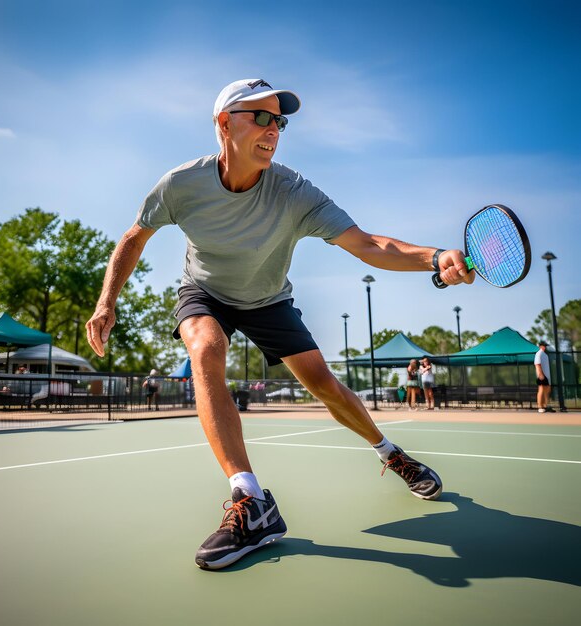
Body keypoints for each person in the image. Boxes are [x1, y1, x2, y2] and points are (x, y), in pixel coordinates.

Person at [86, 78, 474, 570]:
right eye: (261, 117)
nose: (274, 129)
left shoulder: (293, 191)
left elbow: (368, 244)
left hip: (268, 298)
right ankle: (251, 502)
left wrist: (434, 256)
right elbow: (133, 237)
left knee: (324, 385)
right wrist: (106, 303)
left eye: (280, 121)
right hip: (204, 290)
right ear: (224, 123)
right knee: (204, 349)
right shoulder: (181, 185)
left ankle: (389, 451)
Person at [534, 340, 552, 413]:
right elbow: (537, 364)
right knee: (541, 390)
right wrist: (540, 374)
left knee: (547, 390)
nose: (545, 347)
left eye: (545, 346)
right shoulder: (538, 354)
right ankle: (540, 406)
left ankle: (545, 405)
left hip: (546, 376)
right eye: (544, 346)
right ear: (540, 346)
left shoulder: (545, 355)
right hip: (541, 375)